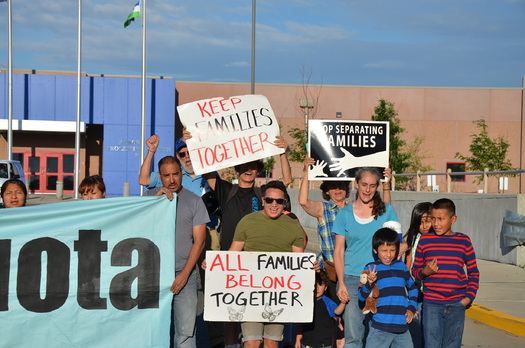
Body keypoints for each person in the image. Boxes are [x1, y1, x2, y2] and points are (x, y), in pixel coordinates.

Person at [229, 180, 304, 348]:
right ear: (263, 200)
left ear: (285, 202)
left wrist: (310, 267)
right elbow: (232, 254)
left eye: (279, 201)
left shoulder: (293, 226)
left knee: (271, 343)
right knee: (251, 342)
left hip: (278, 294)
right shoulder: (247, 222)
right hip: (250, 292)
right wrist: (214, 265)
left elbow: (298, 261)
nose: (274, 204)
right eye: (269, 200)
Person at [144, 156, 208, 348]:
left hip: (185, 275)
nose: (172, 180)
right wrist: (155, 202)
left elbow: (200, 241)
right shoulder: (148, 199)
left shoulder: (195, 201)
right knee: (151, 331)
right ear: (160, 177)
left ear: (181, 174)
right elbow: (137, 228)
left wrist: (185, 275)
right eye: (166, 176)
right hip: (152, 275)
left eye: (175, 174)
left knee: (186, 334)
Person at [332, 167, 399, 348]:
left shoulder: (387, 211)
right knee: (353, 336)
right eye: (364, 184)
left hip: (382, 279)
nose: (367, 190)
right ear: (356, 184)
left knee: (379, 335)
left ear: (377, 186)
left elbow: (396, 244)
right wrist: (342, 283)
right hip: (352, 279)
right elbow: (338, 251)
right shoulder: (344, 214)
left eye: (372, 185)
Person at [411, 198, 479, 348]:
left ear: (453, 219)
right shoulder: (425, 241)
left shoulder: (464, 241)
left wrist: (468, 298)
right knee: (431, 345)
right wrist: (424, 272)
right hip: (431, 305)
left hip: (457, 304)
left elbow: (473, 272)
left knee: (452, 345)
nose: (436, 223)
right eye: (433, 219)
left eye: (441, 219)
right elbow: (414, 271)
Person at [358, 228, 418, 348]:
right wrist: (369, 283)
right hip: (380, 328)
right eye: (384, 250)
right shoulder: (371, 268)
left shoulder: (401, 267)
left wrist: (411, 308)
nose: (389, 254)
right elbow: (361, 296)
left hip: (402, 327)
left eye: (392, 250)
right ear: (375, 250)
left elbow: (413, 288)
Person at [403, 202, 433, 348]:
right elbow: (407, 264)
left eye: (428, 221)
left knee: (431, 328)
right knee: (420, 326)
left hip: (433, 291)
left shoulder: (437, 240)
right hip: (417, 290)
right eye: (420, 222)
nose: (425, 226)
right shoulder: (413, 239)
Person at [295, 270, 347, 348]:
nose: (317, 288)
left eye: (321, 284)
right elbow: (302, 324)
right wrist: (298, 339)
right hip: (306, 343)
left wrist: (343, 302)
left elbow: (337, 312)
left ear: (325, 287)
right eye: (314, 284)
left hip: (324, 344)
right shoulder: (305, 302)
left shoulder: (327, 302)